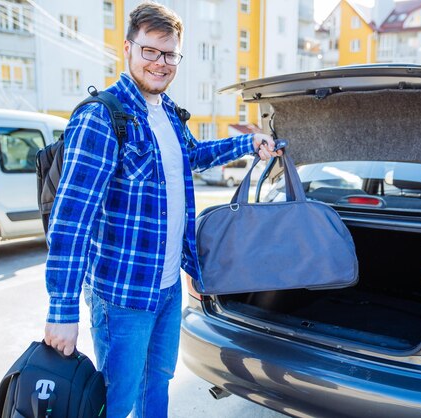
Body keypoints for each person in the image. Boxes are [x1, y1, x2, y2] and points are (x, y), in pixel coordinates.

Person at [43, 2, 280, 417]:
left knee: (157, 390)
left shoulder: (169, 113)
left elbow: (192, 157)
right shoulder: (103, 117)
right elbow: (71, 220)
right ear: (128, 49)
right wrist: (61, 310)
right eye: (150, 51)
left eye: (169, 54)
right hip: (122, 296)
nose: (160, 63)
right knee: (117, 401)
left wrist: (248, 144)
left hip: (168, 288)